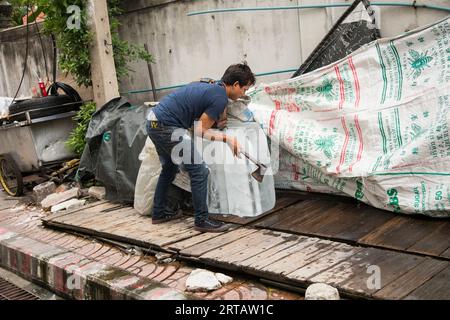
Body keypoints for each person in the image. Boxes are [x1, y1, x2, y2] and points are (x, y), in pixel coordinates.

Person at [146, 63, 256, 232]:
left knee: (169, 168)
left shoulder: (210, 86)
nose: (244, 94)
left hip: (153, 121)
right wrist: (227, 138)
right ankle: (202, 220)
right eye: (244, 89)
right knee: (199, 170)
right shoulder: (219, 97)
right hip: (167, 126)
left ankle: (159, 213)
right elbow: (200, 131)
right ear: (235, 85)